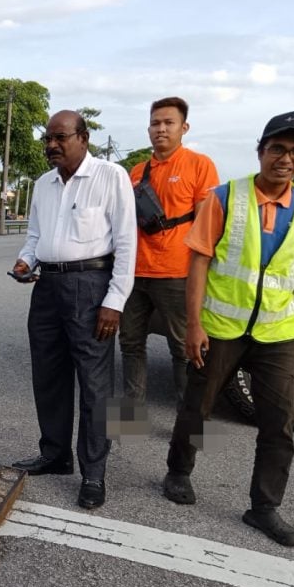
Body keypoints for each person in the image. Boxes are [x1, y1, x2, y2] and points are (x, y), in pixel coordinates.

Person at [164, 111, 294, 547]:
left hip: (277, 333)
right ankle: (178, 471)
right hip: (222, 327)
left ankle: (264, 507)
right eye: (277, 149)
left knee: (279, 423)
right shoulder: (226, 197)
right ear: (260, 151)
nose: (285, 159)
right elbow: (199, 260)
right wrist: (193, 325)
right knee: (199, 406)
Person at [10, 110, 137, 510]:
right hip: (47, 286)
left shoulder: (110, 176)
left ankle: (94, 473)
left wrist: (114, 301)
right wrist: (25, 260)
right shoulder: (43, 184)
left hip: (91, 286)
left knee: (95, 386)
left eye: (60, 137)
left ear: (83, 137)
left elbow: (128, 242)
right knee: (48, 375)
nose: (51, 145)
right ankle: (55, 454)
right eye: (48, 138)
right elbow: (35, 236)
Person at [120, 97, 219, 407]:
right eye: (155, 123)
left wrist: (204, 268)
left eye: (168, 123)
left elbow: (207, 221)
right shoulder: (137, 171)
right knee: (130, 344)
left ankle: (189, 424)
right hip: (135, 272)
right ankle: (131, 416)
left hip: (177, 273)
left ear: (183, 127)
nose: (160, 129)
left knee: (183, 348)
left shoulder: (199, 164)